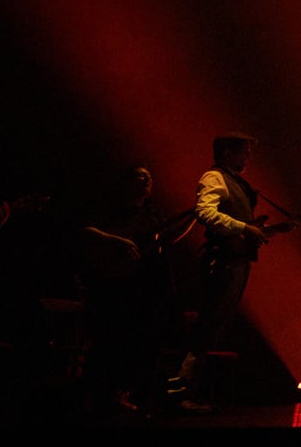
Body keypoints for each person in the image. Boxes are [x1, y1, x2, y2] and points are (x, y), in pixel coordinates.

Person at [80, 165, 191, 416]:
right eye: (141, 176)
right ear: (127, 182)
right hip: (116, 286)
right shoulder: (111, 210)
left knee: (143, 344)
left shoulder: (152, 213)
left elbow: (167, 238)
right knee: (112, 341)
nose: (147, 179)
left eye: (149, 177)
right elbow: (86, 231)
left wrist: (195, 216)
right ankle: (101, 398)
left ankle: (132, 397)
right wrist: (117, 241)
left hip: (146, 287)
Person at [176, 133, 266, 408]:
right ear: (227, 153)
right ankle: (181, 392)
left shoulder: (234, 181)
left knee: (214, 327)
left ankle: (187, 392)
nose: (248, 157)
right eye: (244, 152)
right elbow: (204, 212)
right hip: (224, 262)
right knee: (209, 326)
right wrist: (244, 227)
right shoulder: (215, 178)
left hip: (235, 261)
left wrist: (251, 230)